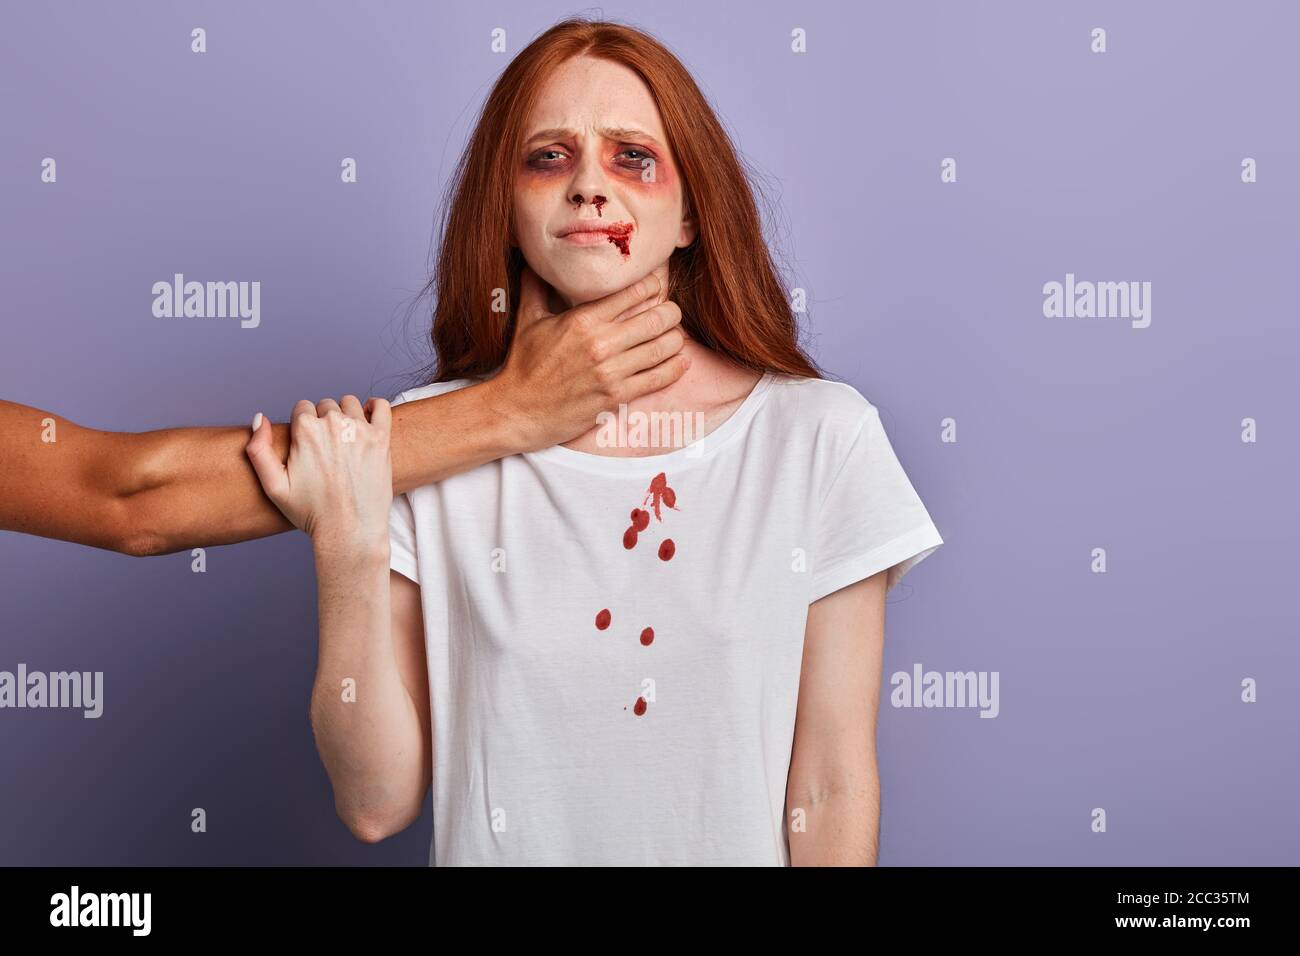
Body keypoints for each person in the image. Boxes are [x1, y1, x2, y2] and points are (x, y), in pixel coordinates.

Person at [248, 18, 944, 866]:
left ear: (691, 215)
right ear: (506, 211)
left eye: (631, 157)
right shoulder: (428, 443)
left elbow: (831, 784)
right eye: (548, 157)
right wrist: (345, 543)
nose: (588, 187)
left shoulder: (819, 439)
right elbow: (375, 802)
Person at [0, 261, 687, 556]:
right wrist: (513, 409)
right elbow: (128, 500)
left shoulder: (793, 430)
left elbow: (131, 491)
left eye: (632, 156)